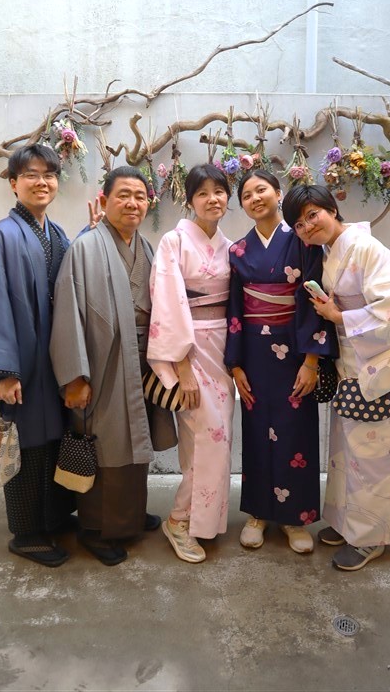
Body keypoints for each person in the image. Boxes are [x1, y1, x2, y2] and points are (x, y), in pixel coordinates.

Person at [282, 184, 390, 571]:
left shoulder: (367, 248)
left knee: (373, 454)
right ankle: (347, 521)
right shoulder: (331, 251)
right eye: (299, 223)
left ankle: (371, 536)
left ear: (331, 209)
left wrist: (340, 316)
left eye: (313, 214)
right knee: (348, 450)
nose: (308, 226)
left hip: (376, 365)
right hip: (352, 362)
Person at [49, 166, 176, 566]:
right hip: (102, 362)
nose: (132, 203)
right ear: (104, 201)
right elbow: (67, 313)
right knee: (105, 443)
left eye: (140, 196)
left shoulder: (147, 247)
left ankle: (130, 515)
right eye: (123, 195)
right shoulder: (85, 248)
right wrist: (74, 377)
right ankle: (96, 528)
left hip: (141, 360)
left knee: (135, 438)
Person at [224, 170, 337, 555]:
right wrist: (235, 364)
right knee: (256, 430)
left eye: (262, 190)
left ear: (277, 193)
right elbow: (235, 309)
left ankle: (294, 517)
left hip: (295, 349)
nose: (255, 198)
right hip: (254, 354)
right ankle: (257, 513)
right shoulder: (238, 251)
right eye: (246, 194)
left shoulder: (303, 241)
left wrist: (312, 361)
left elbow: (314, 300)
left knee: (295, 431)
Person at [0, 143, 76, 567]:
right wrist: (3, 371)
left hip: (53, 360)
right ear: (13, 183)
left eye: (49, 174)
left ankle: (53, 517)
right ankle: (27, 533)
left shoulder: (58, 234)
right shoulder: (2, 235)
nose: (41, 182)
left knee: (53, 440)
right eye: (31, 175)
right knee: (27, 443)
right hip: (23, 364)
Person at [147, 164, 235, 563]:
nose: (212, 199)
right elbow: (167, 302)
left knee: (218, 440)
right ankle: (179, 521)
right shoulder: (174, 241)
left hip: (222, 352)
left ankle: (203, 521)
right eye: (202, 193)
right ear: (189, 200)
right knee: (202, 440)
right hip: (192, 351)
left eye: (219, 191)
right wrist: (182, 368)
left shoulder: (229, 246)